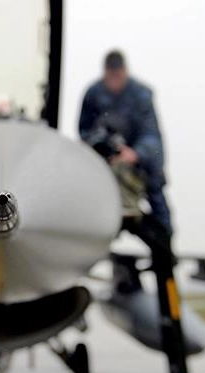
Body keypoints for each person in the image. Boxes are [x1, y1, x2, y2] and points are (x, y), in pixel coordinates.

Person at [78, 50, 172, 235]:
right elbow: (84, 131)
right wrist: (100, 149)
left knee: (157, 200)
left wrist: (134, 154)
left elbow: (151, 135)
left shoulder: (140, 94)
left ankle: (166, 245)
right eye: (111, 75)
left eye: (118, 75)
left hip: (140, 162)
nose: (115, 80)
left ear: (125, 71)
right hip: (106, 164)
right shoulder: (94, 93)